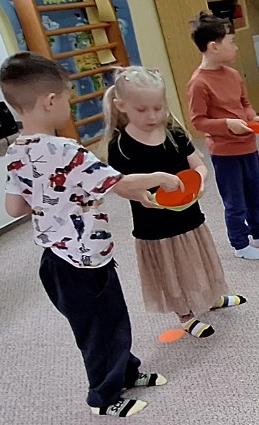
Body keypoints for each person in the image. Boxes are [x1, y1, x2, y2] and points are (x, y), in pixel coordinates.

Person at [0, 53, 175, 418]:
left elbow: (14, 207)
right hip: (81, 260)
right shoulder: (66, 150)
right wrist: (162, 178)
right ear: (50, 101)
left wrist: (53, 201)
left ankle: (125, 371)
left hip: (58, 259)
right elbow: (121, 183)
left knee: (109, 320)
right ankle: (104, 397)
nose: (69, 105)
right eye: (67, 98)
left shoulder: (15, 151)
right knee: (98, 330)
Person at [102, 66, 247, 340]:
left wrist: (199, 180)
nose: (152, 116)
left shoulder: (175, 135)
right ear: (121, 106)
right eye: (142, 110)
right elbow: (120, 185)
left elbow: (198, 166)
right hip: (156, 227)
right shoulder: (120, 146)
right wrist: (146, 187)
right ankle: (185, 314)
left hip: (189, 217)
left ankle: (211, 297)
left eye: (158, 108)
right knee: (173, 271)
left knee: (200, 260)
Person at [187, 12, 259, 260]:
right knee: (235, 200)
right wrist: (227, 124)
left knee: (256, 193)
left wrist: (253, 118)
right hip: (225, 153)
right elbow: (198, 121)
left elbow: (244, 104)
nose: (236, 47)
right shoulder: (199, 83)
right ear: (214, 46)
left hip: (248, 146)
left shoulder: (232, 74)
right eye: (231, 41)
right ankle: (240, 244)